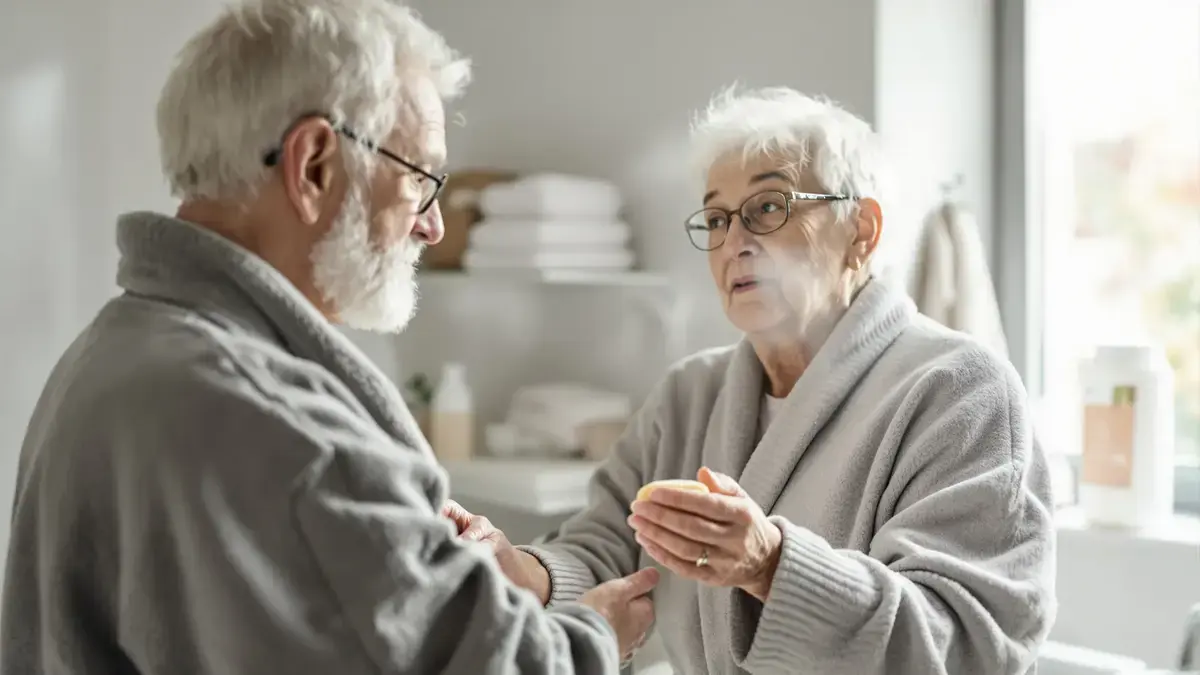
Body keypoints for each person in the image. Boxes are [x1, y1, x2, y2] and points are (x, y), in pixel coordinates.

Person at [0, 1, 658, 673]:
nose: (432, 226)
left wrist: (412, 562)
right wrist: (595, 631)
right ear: (314, 164)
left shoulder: (107, 354)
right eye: (421, 180)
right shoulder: (282, 433)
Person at [454, 88, 1057, 674]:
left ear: (862, 232)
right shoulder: (691, 395)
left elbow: (966, 648)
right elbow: (607, 548)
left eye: (769, 208)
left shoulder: (961, 392)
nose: (734, 243)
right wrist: (522, 572)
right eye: (716, 218)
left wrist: (772, 565)